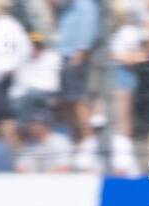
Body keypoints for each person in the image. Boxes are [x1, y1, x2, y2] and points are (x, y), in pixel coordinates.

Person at [54, 0, 99, 135]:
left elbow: (87, 34)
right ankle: (75, 137)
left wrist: (80, 55)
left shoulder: (86, 6)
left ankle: (89, 138)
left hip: (74, 58)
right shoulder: (67, 6)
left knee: (77, 102)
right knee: (65, 102)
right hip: (62, 57)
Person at [109, 0, 149, 138]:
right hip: (110, 73)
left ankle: (124, 144)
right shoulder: (112, 30)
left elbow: (137, 57)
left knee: (123, 115)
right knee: (111, 115)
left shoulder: (129, 31)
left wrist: (112, 56)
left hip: (123, 74)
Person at [11, 32, 61, 120]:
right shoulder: (22, 59)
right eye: (32, 46)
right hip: (25, 97)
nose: (35, 49)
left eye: (38, 46)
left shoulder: (53, 58)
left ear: (43, 46)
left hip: (46, 94)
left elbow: (53, 84)